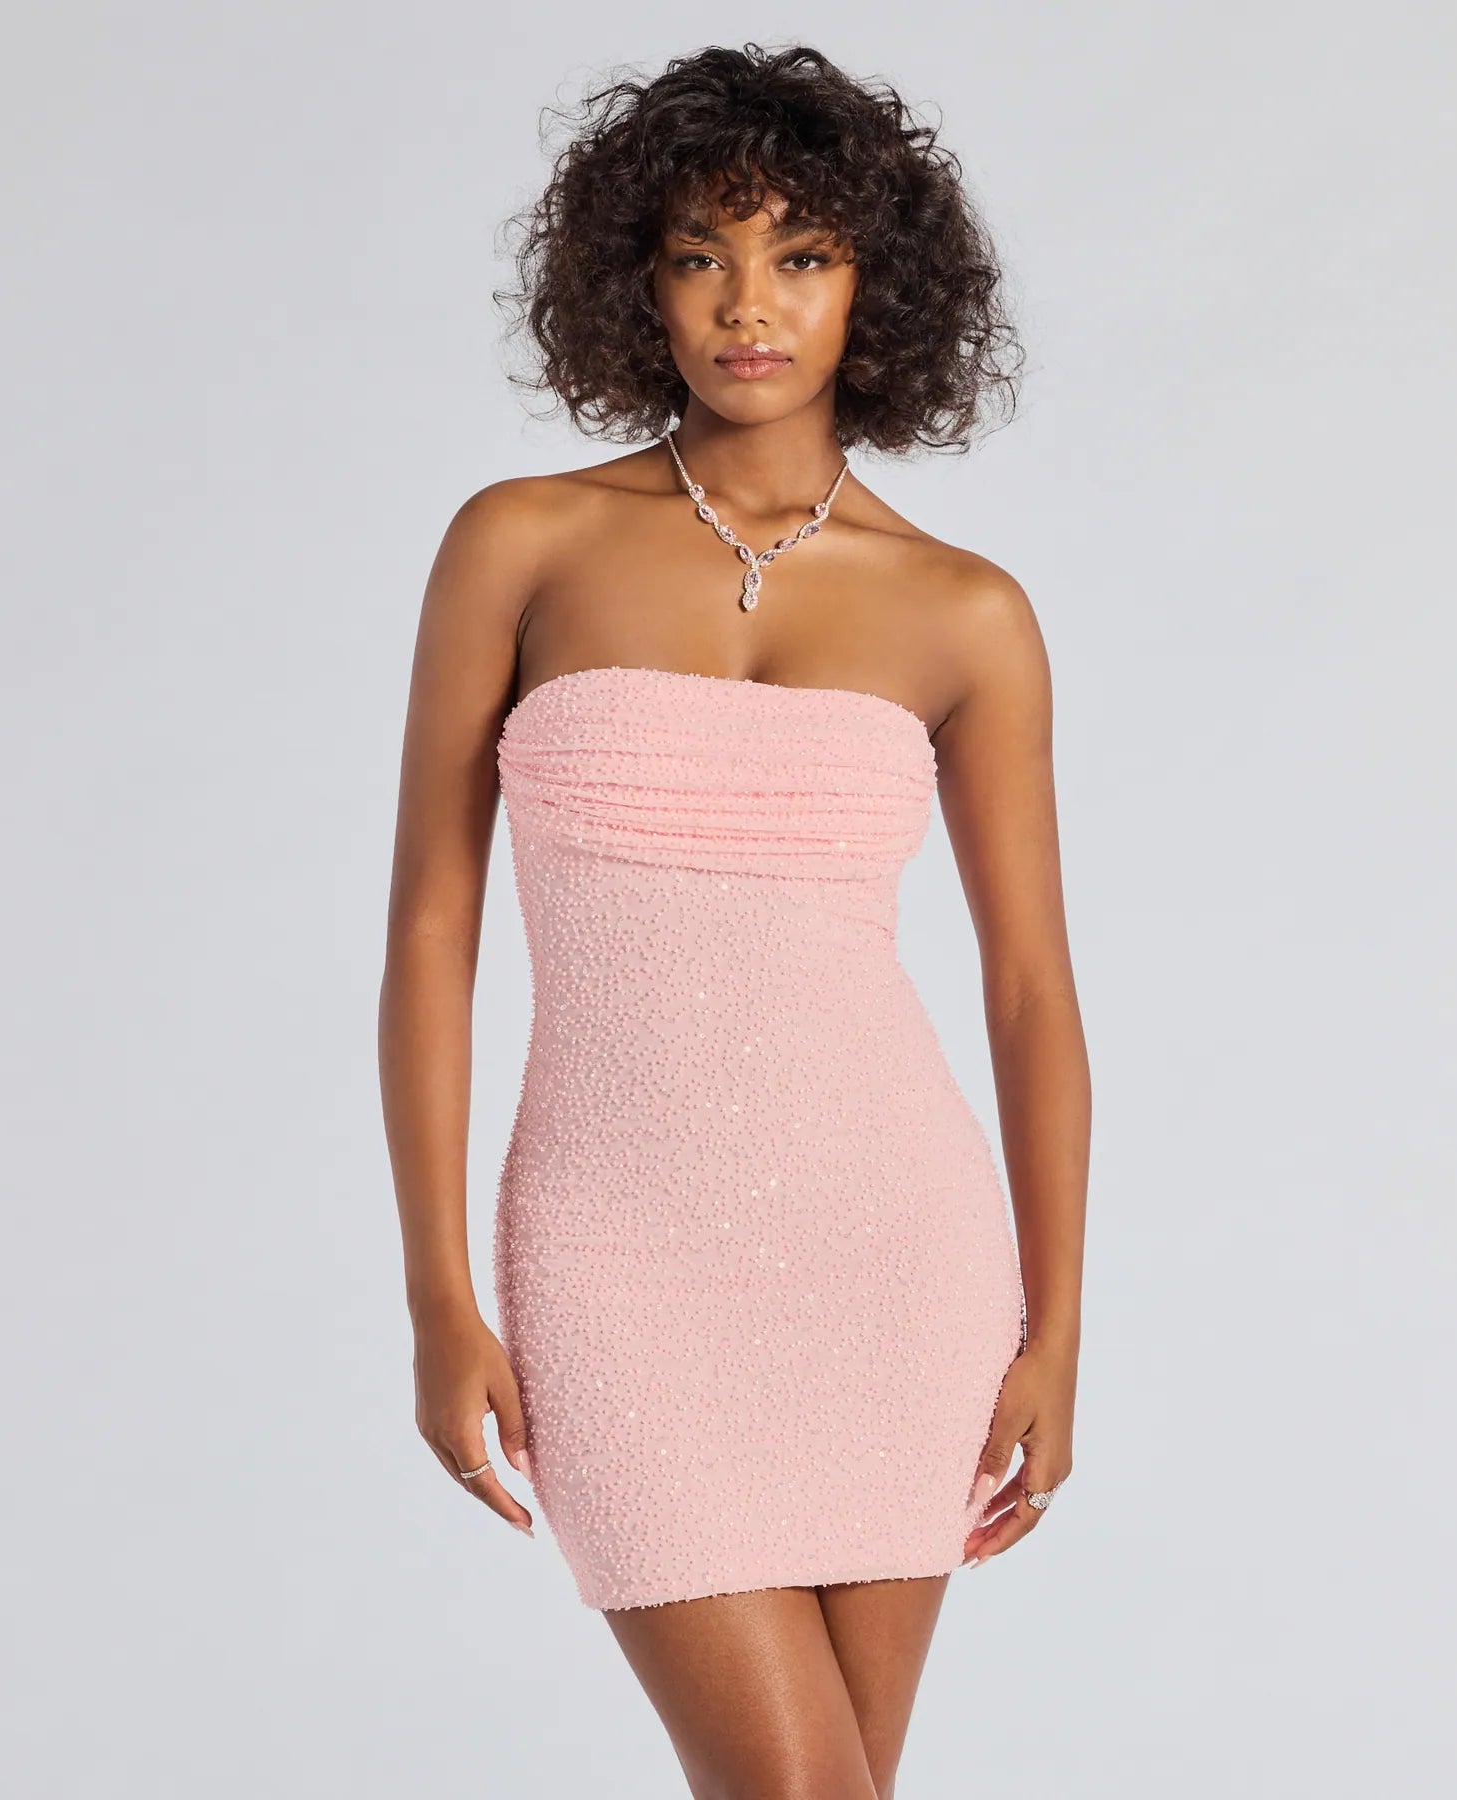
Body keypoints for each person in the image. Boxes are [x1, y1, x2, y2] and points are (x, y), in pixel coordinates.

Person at [378, 42, 1091, 1799]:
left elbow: (1026, 989)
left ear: (878, 288)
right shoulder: (521, 545)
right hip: (616, 1257)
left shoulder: (965, 613)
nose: (746, 304)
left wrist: (1054, 1326)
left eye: (801, 255)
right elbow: (430, 933)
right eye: (700, 254)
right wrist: (438, 1296)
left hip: (896, 1258)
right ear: (636, 281)